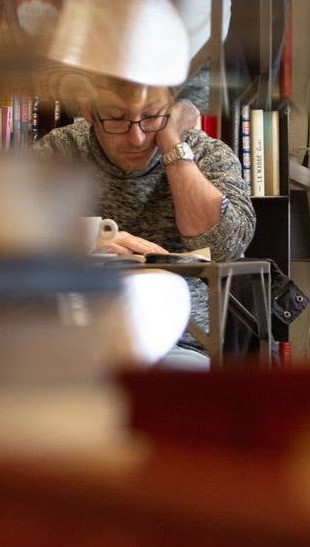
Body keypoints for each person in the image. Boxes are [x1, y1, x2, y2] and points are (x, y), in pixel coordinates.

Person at [35, 76, 256, 366]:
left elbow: (223, 246)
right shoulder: (59, 152)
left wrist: (173, 148)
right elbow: (2, 234)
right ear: (89, 112)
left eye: (151, 117)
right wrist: (88, 240)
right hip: (73, 341)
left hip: (180, 343)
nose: (137, 137)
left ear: (173, 110)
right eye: (116, 119)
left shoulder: (206, 154)